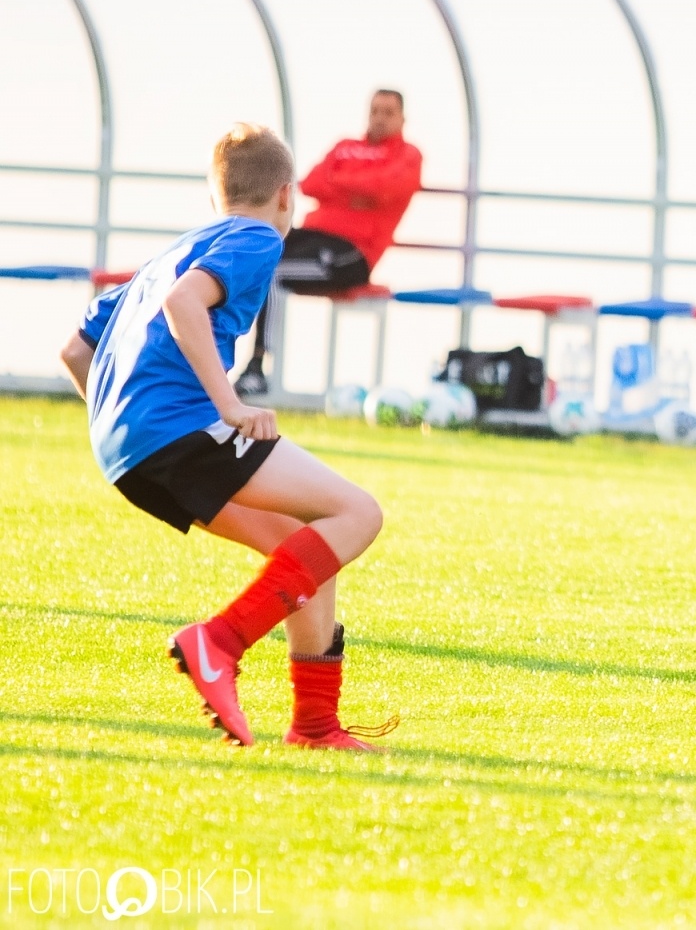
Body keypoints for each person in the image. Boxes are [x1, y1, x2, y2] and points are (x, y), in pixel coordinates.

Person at [59, 123, 396, 751]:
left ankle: (316, 726)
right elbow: (185, 305)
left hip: (128, 450)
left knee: (306, 548)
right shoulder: (255, 236)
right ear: (287, 196)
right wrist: (231, 404)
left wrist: (124, 428)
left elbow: (76, 350)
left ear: (215, 194)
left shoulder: (173, 253)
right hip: (182, 425)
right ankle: (221, 641)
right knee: (357, 513)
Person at [234, 89, 423, 396]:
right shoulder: (345, 146)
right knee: (250, 255)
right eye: (375, 110)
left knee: (274, 274)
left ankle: (255, 368)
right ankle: (206, 360)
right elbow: (310, 182)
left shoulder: (408, 154)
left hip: (351, 252)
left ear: (402, 118)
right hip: (310, 237)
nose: (380, 118)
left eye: (388, 112)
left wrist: (342, 184)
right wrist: (359, 191)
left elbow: (387, 188)